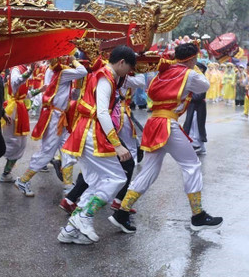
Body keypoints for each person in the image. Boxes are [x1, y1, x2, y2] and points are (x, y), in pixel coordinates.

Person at [110, 43, 222, 234]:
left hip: (154, 123)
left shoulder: (163, 72)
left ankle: (122, 212)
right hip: (167, 124)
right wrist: (191, 67)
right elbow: (204, 85)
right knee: (192, 165)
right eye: (195, 59)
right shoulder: (189, 73)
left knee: (149, 171)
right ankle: (198, 215)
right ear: (193, 59)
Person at [57, 46, 135, 246]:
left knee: (96, 182)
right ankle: (85, 216)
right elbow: (102, 113)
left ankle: (69, 230)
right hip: (92, 132)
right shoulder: (105, 77)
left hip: (89, 131)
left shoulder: (105, 76)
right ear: (121, 63)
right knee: (117, 178)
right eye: (129, 68)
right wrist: (117, 145)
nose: (128, 74)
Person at [14, 55, 87, 197]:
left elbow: (71, 94)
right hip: (55, 118)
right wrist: (73, 59)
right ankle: (23, 180)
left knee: (67, 150)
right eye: (64, 56)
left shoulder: (54, 70)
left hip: (60, 117)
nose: (66, 58)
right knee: (47, 152)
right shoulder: (62, 72)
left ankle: (67, 185)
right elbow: (82, 71)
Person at [0, 64, 32, 182]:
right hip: (13, 111)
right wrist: (30, 71)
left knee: (20, 144)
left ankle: (6, 173)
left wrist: (40, 90)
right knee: (14, 143)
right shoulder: (16, 69)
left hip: (20, 109)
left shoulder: (24, 69)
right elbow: (15, 83)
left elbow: (25, 94)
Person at [182, 62, 208, 153]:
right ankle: (196, 145)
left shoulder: (203, 80)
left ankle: (197, 145)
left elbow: (199, 96)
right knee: (192, 125)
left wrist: (187, 96)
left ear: (201, 70)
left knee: (196, 125)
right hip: (192, 106)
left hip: (198, 107)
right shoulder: (194, 80)